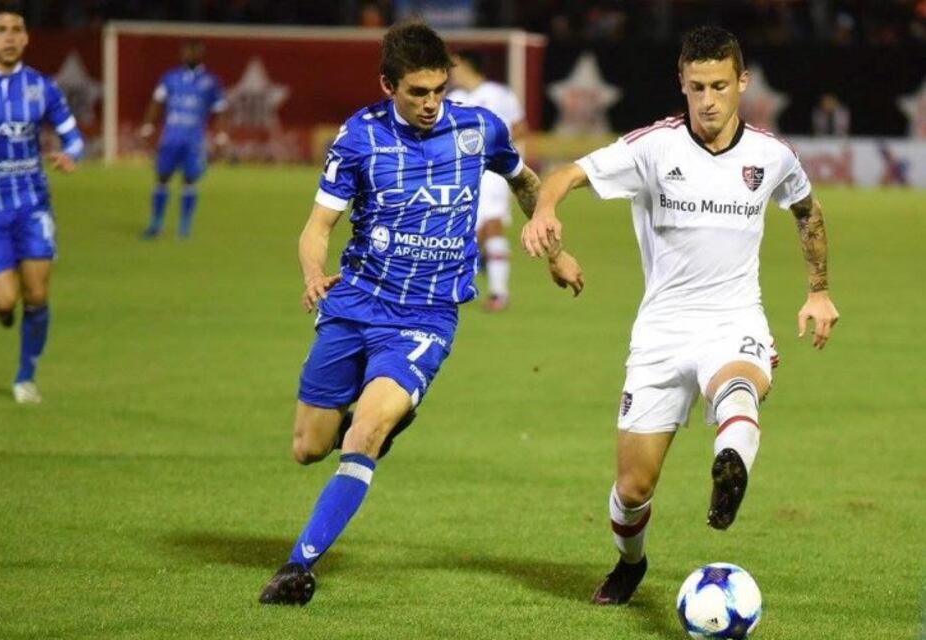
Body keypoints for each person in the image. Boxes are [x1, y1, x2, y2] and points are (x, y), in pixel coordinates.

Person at [258, 21, 583, 606]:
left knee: (366, 430)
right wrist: (313, 275)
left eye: (439, 90)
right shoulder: (359, 138)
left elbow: (524, 179)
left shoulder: (478, 129)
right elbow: (317, 226)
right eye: (418, 92)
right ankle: (382, 412)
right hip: (355, 302)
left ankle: (298, 565)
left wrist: (555, 253)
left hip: (426, 315)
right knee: (308, 447)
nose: (432, 104)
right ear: (388, 84)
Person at [522, 25, 839, 605]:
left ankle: (728, 470)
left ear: (742, 82)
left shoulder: (770, 156)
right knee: (632, 487)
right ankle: (630, 563)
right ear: (682, 83)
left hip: (734, 317)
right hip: (662, 331)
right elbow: (569, 173)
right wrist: (545, 210)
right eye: (697, 87)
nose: (709, 100)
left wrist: (818, 290)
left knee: (738, 385)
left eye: (720, 85)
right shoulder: (654, 147)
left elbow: (807, 211)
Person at [0, 1, 84, 403]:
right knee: (6, 299)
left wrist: (70, 153)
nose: (10, 37)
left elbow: (74, 136)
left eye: (17, 29)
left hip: (32, 203)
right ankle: (1, 308)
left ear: (26, 38)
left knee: (38, 294)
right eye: (1, 29)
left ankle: (25, 376)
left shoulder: (42, 87)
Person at [448, 50, 528, 311]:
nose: (451, 71)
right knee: (469, 231)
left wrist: (497, 148)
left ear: (469, 66)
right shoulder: (453, 99)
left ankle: (498, 293)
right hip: (465, 172)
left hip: (494, 172)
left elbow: (520, 126)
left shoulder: (499, 94)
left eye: (455, 66)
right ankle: (481, 262)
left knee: (492, 226)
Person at [138, 40, 227, 239]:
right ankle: (156, 223)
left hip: (194, 139)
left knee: (190, 180)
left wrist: (221, 136)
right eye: (186, 51)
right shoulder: (170, 78)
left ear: (200, 54)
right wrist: (148, 126)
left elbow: (220, 110)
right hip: (170, 137)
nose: (187, 55)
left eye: (192, 51)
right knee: (162, 177)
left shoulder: (211, 82)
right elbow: (157, 102)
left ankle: (184, 227)